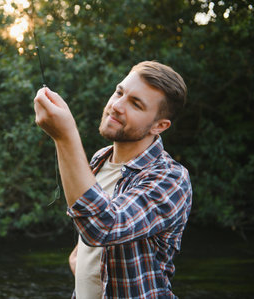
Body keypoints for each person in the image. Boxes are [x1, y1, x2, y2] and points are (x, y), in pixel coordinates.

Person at [33, 61, 192, 299]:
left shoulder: (171, 178)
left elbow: (102, 226)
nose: (116, 106)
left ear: (160, 126)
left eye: (135, 104)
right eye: (119, 92)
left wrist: (65, 137)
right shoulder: (99, 158)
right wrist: (82, 259)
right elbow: (91, 226)